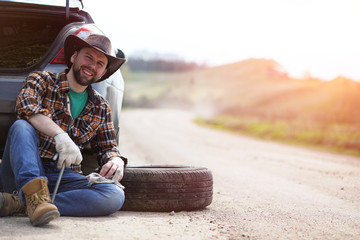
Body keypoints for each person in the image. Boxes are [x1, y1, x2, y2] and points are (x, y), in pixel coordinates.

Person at [0, 34, 127, 226]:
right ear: (74, 56)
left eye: (100, 63)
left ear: (103, 73)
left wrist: (115, 160)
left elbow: (107, 147)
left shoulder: (101, 107)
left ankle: (23, 203)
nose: (92, 65)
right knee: (22, 126)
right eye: (88, 57)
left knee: (114, 195)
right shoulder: (41, 80)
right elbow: (27, 107)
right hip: (24, 169)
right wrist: (60, 135)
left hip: (63, 176)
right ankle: (31, 195)